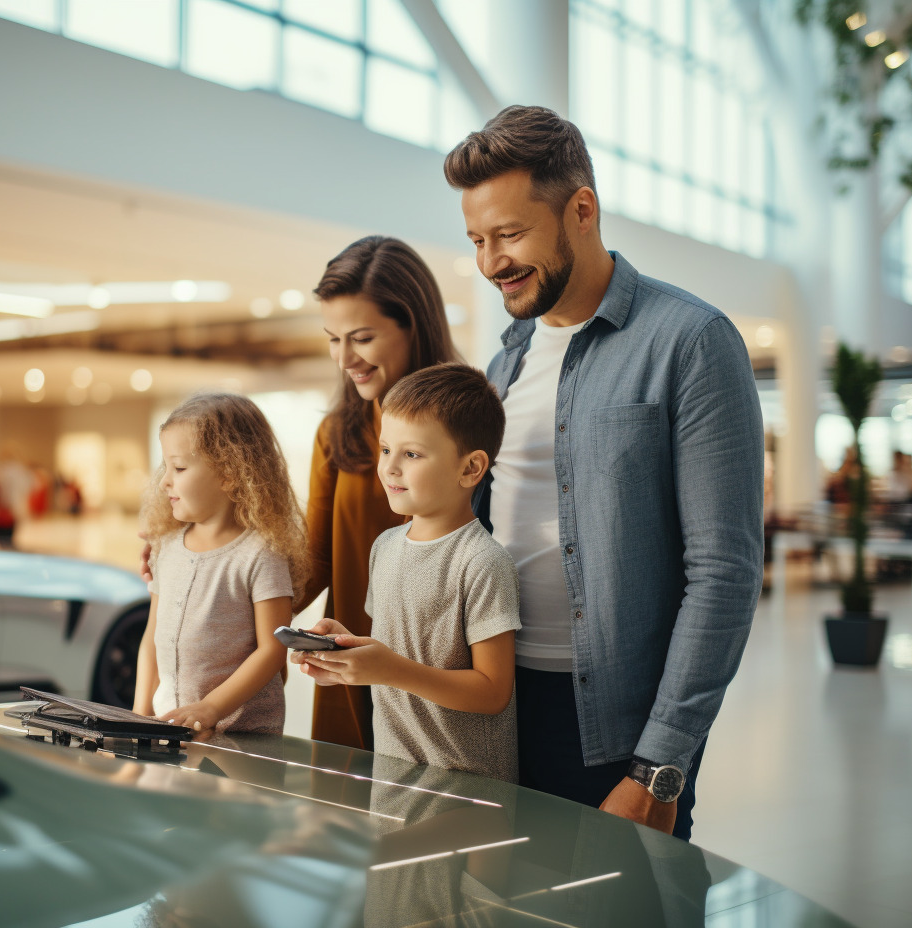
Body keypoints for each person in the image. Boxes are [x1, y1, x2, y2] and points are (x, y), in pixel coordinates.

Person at [445, 106, 764, 839]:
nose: (492, 260)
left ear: (581, 210)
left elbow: (724, 570)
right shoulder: (505, 361)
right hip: (499, 706)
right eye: (478, 240)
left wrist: (660, 768)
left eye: (512, 234)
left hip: (622, 731)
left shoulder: (690, 342)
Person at [294, 364, 520, 783]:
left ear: (470, 469)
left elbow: (493, 691)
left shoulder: (483, 563)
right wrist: (345, 654)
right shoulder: (384, 548)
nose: (389, 468)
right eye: (385, 450)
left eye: (411, 454)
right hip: (393, 777)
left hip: (468, 791)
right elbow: (396, 650)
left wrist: (387, 669)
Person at [299, 235, 461, 751]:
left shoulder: (468, 423)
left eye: (362, 337)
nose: (344, 357)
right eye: (333, 338)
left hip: (437, 682)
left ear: (412, 325)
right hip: (348, 677)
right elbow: (312, 561)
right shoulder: (337, 432)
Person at [132, 393, 308, 735]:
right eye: (165, 466)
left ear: (230, 473)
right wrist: (138, 714)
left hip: (242, 740)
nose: (165, 480)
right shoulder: (165, 548)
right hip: (171, 732)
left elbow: (272, 649)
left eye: (179, 467)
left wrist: (211, 708)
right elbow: (151, 637)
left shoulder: (261, 553)